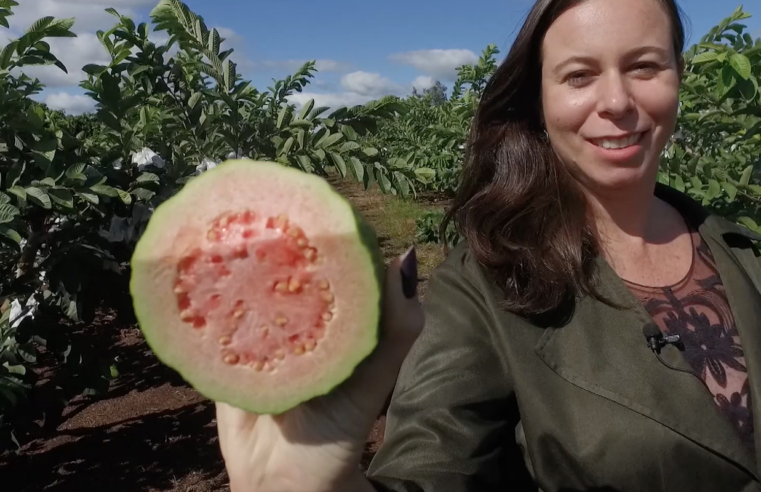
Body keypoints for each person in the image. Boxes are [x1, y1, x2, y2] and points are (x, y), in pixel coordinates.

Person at [214, 0, 761, 490]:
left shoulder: (744, 249)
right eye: (579, 75)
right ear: (538, 102)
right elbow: (434, 458)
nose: (616, 100)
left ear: (678, 76)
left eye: (644, 66)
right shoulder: (486, 284)